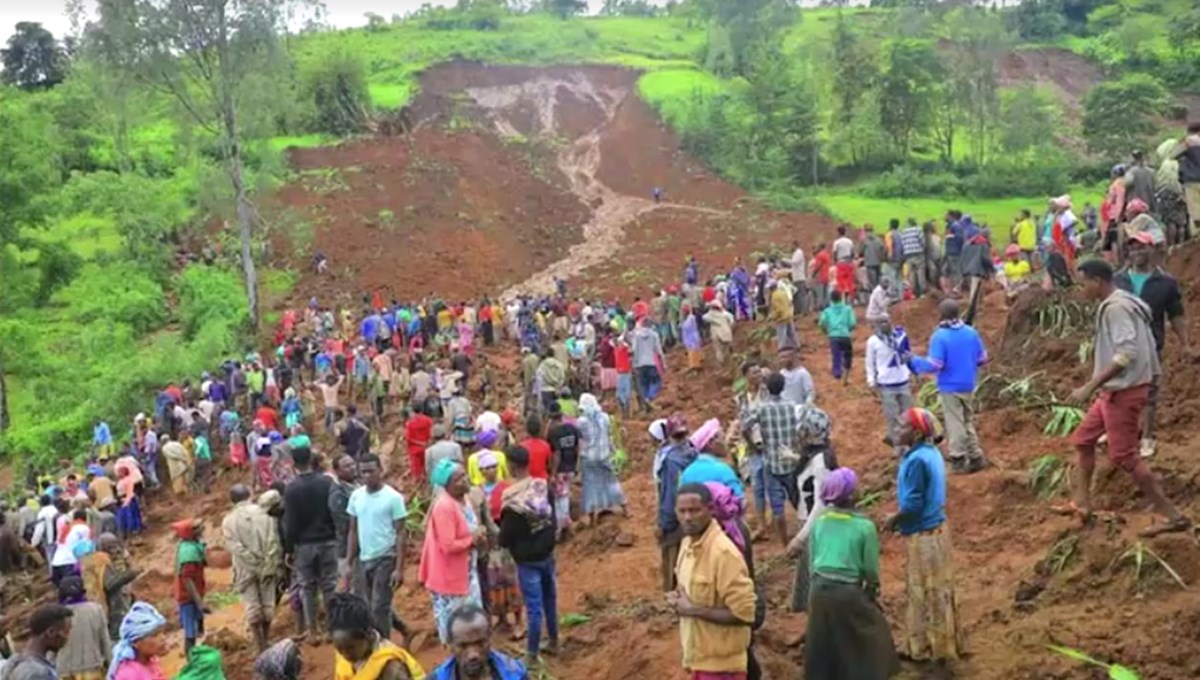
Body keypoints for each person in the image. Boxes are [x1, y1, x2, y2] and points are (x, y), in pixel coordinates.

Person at [1066, 260, 1191, 536]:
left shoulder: (1117, 309)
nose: (1081, 289)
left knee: (1124, 456)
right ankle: (1082, 503)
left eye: (1083, 282)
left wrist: (1090, 385)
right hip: (1115, 389)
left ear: (1097, 281)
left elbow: (1126, 353)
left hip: (1123, 390)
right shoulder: (1124, 301)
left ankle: (1172, 516)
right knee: (1083, 440)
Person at [802, 469, 898, 680]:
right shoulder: (864, 527)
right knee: (873, 633)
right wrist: (872, 590)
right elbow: (870, 570)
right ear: (852, 495)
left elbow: (812, 562)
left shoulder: (821, 522)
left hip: (818, 591)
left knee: (823, 640)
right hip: (847, 591)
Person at [884, 408, 963, 663]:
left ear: (916, 433)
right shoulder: (930, 453)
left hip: (923, 535)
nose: (896, 429)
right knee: (939, 590)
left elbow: (913, 505)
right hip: (937, 530)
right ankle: (941, 644)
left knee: (923, 592)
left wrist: (893, 519)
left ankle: (927, 649)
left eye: (902, 426)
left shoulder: (916, 461)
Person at [1115, 232, 1197, 458]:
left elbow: (1176, 315)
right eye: (1132, 248)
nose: (1136, 252)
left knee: (1148, 390)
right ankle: (1121, 431)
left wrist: (1185, 344)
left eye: (1141, 248)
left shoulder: (1166, 283)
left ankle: (1147, 437)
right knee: (1119, 386)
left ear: (1152, 250)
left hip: (1150, 343)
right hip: (1121, 343)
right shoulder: (1119, 280)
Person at [668, 484, 757, 680]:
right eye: (682, 511)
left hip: (723, 668)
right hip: (698, 659)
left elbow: (745, 614)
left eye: (694, 510)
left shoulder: (723, 554)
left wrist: (692, 610)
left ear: (710, 509)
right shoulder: (686, 545)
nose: (688, 517)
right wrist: (677, 599)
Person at [909, 299, 988, 474]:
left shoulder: (940, 336)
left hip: (950, 385)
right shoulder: (971, 332)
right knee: (967, 420)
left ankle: (958, 458)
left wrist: (914, 361)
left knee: (955, 423)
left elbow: (935, 364)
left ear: (942, 315)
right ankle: (976, 456)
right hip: (969, 383)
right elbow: (982, 358)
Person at [496, 447, 559, 666]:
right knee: (550, 599)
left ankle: (531, 654)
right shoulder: (542, 486)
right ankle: (553, 640)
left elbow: (505, 537)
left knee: (533, 607)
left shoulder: (511, 500)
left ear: (511, 466)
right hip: (548, 552)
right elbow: (553, 516)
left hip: (527, 560)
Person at [419, 460, 486, 645]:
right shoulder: (445, 507)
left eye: (464, 475)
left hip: (466, 573)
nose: (465, 480)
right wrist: (472, 539)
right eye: (459, 479)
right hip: (450, 578)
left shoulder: (463, 499)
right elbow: (448, 545)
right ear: (447, 485)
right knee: (457, 629)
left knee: (471, 622)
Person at [347, 454, 409, 641]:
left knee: (378, 608)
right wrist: (348, 562)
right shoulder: (356, 496)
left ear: (380, 471)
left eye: (371, 471)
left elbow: (400, 533)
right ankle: (405, 630)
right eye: (363, 472)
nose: (367, 476)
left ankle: (384, 647)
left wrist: (399, 568)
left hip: (386, 556)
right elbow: (353, 529)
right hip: (365, 558)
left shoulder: (393, 498)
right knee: (372, 604)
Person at [741, 372, 804, 548]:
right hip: (790, 460)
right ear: (783, 387)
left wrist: (752, 445)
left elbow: (744, 426)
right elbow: (801, 428)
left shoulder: (761, 408)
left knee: (777, 507)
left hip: (771, 461)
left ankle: (785, 545)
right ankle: (803, 538)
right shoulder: (792, 406)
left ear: (767, 388)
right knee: (797, 500)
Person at [283, 444, 339, 642]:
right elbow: (334, 511)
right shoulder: (326, 483)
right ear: (311, 459)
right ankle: (333, 629)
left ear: (293, 464)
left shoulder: (291, 489)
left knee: (308, 587)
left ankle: (313, 631)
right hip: (328, 540)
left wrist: (289, 549)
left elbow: (290, 523)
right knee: (330, 586)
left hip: (304, 545)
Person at [221, 484, 282, 652]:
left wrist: (251, 561)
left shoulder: (228, 520)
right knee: (268, 605)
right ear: (250, 494)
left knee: (252, 607)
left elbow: (234, 547)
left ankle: (259, 644)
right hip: (267, 566)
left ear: (232, 500)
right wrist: (265, 561)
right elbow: (274, 539)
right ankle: (267, 638)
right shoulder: (265, 513)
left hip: (244, 569)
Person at [329, 593, 424, 680]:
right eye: (340, 649)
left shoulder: (391, 665)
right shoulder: (347, 652)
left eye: (351, 648)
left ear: (369, 636)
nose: (345, 654)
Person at [656, 414, 697, 591]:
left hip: (677, 517)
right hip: (698, 511)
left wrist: (663, 523)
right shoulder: (695, 453)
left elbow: (669, 495)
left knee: (672, 559)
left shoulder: (670, 461)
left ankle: (673, 596)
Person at [431, 605, 527, 680]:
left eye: (480, 643)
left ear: (490, 639)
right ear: (450, 645)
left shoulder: (515, 673)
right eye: (463, 646)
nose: (473, 654)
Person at [866, 316, 914, 455]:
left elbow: (908, 354)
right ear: (876, 324)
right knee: (892, 417)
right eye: (880, 322)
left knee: (908, 415)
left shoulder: (901, 336)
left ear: (891, 322)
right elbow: (870, 363)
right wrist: (871, 382)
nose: (884, 324)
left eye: (886, 321)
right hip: (886, 384)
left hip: (903, 381)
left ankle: (909, 444)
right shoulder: (873, 342)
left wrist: (913, 372)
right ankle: (897, 446)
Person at [55, 576, 111, 680]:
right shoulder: (96, 610)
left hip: (65, 671)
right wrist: (111, 663)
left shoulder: (56, 614)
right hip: (93, 668)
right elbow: (105, 640)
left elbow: (51, 648)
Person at [5, 605, 73, 680]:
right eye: (66, 632)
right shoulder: (37, 673)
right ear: (51, 632)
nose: (67, 637)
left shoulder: (14, 663)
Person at [678, 420, 743, 498]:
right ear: (711, 443)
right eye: (722, 438)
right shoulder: (723, 470)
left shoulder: (686, 473)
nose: (725, 443)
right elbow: (738, 502)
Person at [171, 518, 206, 654]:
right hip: (188, 597)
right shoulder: (188, 553)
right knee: (190, 633)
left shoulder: (189, 546)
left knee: (195, 628)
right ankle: (190, 661)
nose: (202, 530)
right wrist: (199, 602)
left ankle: (193, 656)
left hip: (191, 595)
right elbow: (187, 579)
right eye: (198, 528)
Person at [545, 402, 580, 538]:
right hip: (571, 466)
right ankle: (565, 522)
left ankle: (561, 528)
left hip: (560, 469)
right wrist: (577, 467)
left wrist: (553, 473)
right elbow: (578, 447)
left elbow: (557, 454)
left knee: (560, 498)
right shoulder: (572, 428)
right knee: (564, 493)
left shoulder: (553, 432)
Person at [108, 603, 169, 680]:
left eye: (163, 632)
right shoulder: (129, 674)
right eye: (154, 635)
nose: (163, 638)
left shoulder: (152, 662)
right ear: (136, 642)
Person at [329, 455, 359, 586]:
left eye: (353, 464)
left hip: (364, 546)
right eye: (347, 466)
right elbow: (344, 525)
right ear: (337, 471)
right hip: (348, 550)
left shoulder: (357, 484)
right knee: (353, 587)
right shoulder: (338, 495)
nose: (352, 468)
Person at [818, 291, 856, 384]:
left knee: (836, 356)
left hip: (833, 336)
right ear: (841, 298)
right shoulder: (848, 309)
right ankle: (846, 375)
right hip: (845, 335)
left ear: (831, 299)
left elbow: (821, 323)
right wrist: (848, 330)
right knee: (848, 355)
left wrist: (826, 331)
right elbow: (852, 323)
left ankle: (837, 375)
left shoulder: (827, 311)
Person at [630, 318, 665, 412]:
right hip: (650, 362)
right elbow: (658, 351)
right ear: (650, 325)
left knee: (643, 385)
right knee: (656, 382)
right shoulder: (654, 335)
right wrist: (664, 364)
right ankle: (649, 398)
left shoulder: (636, 336)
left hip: (639, 364)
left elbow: (634, 350)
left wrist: (634, 363)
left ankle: (645, 406)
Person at [900, 218, 928, 297]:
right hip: (918, 253)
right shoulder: (918, 229)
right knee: (920, 272)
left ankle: (914, 292)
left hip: (908, 254)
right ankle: (923, 292)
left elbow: (903, 243)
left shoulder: (904, 232)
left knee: (912, 273)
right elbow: (923, 241)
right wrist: (924, 249)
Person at [768, 280, 798, 352]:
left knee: (781, 333)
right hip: (788, 314)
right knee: (791, 332)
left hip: (782, 317)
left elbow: (777, 309)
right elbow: (789, 302)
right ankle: (796, 345)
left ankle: (781, 348)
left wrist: (772, 316)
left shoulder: (774, 296)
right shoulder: (782, 292)